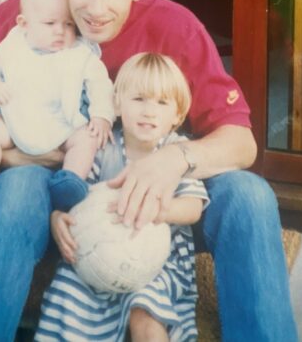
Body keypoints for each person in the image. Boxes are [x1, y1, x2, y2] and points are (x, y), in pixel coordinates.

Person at [0, 0, 298, 341]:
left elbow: (241, 143)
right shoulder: (30, 18)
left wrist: (174, 159)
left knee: (249, 194)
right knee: (18, 187)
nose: (96, 8)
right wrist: (10, 154)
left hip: (150, 191)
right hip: (54, 188)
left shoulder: (176, 27)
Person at [36, 52, 210, 342]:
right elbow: (74, 197)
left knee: (146, 313)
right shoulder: (102, 148)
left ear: (177, 115)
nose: (149, 111)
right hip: (96, 251)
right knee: (67, 293)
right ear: (117, 104)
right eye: (139, 99)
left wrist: (156, 211)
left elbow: (193, 208)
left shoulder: (175, 151)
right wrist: (58, 218)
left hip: (158, 261)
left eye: (162, 102)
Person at [0, 0, 114, 211]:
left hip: (63, 125)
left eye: (69, 24)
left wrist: (102, 116)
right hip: (16, 120)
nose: (60, 31)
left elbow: (101, 85)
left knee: (86, 138)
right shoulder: (13, 45)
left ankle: (70, 180)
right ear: (24, 23)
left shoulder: (80, 53)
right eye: (50, 23)